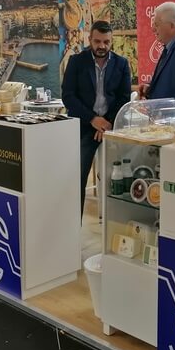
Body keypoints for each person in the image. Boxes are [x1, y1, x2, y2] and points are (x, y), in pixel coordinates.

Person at [62, 20, 131, 217]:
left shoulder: (121, 64)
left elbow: (124, 98)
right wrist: (93, 119)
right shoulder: (76, 62)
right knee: (77, 178)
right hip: (83, 126)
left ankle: (116, 222)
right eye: (97, 41)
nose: (102, 46)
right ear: (90, 39)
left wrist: (106, 123)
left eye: (106, 42)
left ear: (112, 41)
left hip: (111, 127)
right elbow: (68, 96)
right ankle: (73, 224)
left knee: (121, 174)